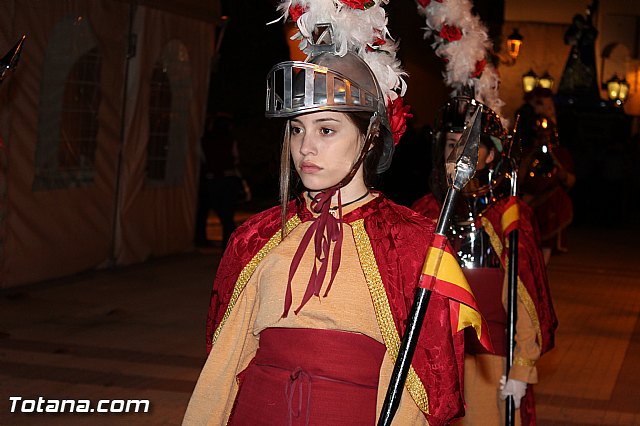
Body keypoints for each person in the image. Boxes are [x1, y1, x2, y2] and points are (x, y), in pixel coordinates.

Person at [183, 4, 469, 425]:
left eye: (327, 129)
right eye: (297, 129)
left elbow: (425, 382)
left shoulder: (411, 243)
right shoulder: (257, 237)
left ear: (370, 139)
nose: (306, 147)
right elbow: (225, 359)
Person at [412, 97, 557, 426]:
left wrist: (521, 368)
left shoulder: (507, 216)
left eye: (471, 145)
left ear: (490, 155)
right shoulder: (423, 213)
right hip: (434, 361)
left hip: (490, 363)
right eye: (452, 143)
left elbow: (526, 297)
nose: (459, 154)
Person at [516, 87, 575, 264]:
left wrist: (552, 155)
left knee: (545, 249)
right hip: (529, 203)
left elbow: (569, 179)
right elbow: (519, 178)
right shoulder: (527, 153)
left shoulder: (559, 153)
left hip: (550, 205)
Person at [194, 112, 246, 248]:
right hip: (227, 180)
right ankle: (229, 245)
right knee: (227, 216)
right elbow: (235, 160)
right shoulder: (229, 140)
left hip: (214, 180)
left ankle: (227, 244)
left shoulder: (205, 141)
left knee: (223, 215)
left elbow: (203, 160)